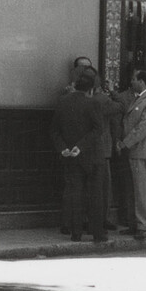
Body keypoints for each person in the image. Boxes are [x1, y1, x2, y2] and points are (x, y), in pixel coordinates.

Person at [50, 64, 110, 244]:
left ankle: (76, 233)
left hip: (70, 157)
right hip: (92, 156)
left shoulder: (62, 102)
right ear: (91, 87)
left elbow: (54, 130)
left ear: (75, 84)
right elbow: (98, 129)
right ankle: (97, 234)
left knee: (75, 194)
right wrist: (81, 146)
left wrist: (64, 148)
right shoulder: (94, 103)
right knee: (95, 195)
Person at [119, 64, 146, 242]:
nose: (131, 82)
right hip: (135, 151)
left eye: (134, 79)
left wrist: (125, 143)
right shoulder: (140, 99)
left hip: (142, 151)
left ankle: (143, 225)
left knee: (142, 189)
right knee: (135, 189)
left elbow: (143, 127)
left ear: (142, 81)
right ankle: (135, 223)